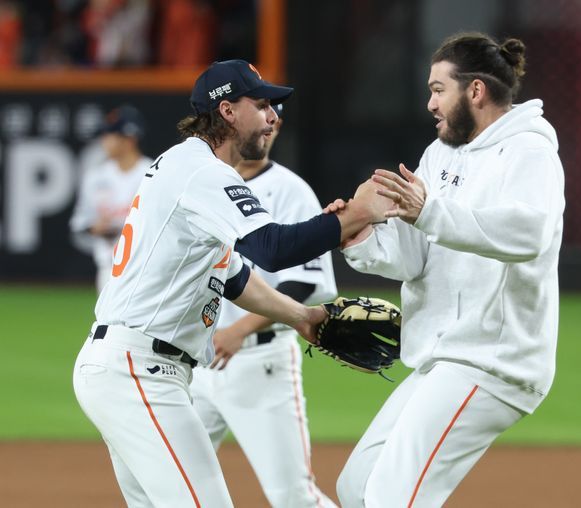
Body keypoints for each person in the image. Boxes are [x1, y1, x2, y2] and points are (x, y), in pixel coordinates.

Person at [72, 59, 391, 508]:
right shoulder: (202, 171)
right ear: (227, 111)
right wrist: (359, 213)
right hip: (138, 369)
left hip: (132, 366)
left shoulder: (187, 166)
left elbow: (234, 274)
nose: (273, 117)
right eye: (261, 105)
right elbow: (272, 249)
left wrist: (303, 317)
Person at [335, 32, 566, 507]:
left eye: (439, 89)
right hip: (443, 358)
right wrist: (359, 239)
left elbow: (530, 234)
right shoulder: (439, 154)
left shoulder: (528, 151)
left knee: (392, 497)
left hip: (493, 360)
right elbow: (415, 255)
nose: (430, 103)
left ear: (475, 90)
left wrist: (429, 212)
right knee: (357, 486)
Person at [189, 103, 339, 508]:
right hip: (197, 363)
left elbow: (303, 283)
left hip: (261, 363)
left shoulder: (290, 191)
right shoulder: (205, 183)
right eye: (259, 113)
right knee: (171, 486)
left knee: (293, 497)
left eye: (273, 116)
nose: (267, 122)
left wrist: (239, 330)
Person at [70, 105, 152, 292]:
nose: (104, 141)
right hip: (108, 267)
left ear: (129, 138)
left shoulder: (152, 172)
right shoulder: (96, 176)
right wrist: (94, 227)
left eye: (111, 135)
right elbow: (80, 221)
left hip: (144, 266)